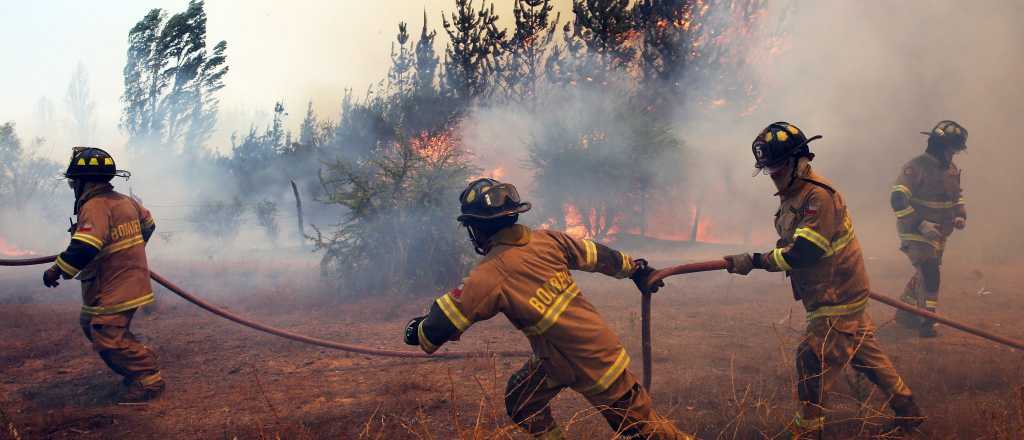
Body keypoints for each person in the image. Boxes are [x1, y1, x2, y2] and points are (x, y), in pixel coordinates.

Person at [403, 178, 693, 440]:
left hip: (594, 364)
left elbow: (440, 325)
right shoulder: (547, 240)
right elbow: (600, 256)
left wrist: (416, 331)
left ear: (476, 228)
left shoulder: (490, 274)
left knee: (641, 428)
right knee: (522, 400)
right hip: (558, 359)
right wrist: (637, 269)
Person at [721, 122, 922, 438]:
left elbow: (806, 252)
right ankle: (908, 409)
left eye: (778, 166)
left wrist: (755, 261)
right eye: (768, 168)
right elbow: (796, 240)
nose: (772, 173)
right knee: (864, 354)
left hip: (837, 295)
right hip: (830, 291)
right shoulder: (795, 194)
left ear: (800, 161)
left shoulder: (818, 197)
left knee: (811, 358)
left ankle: (806, 431)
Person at [42, 147, 164, 402]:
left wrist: (55, 270)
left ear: (83, 181)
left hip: (116, 284)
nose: (73, 187)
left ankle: (147, 379)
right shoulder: (125, 201)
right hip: (120, 280)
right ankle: (134, 364)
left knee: (105, 332)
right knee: (90, 323)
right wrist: (130, 253)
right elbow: (149, 225)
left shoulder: (94, 206)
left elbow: (85, 245)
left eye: (73, 182)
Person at [890, 120, 968, 337]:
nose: (953, 154)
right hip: (915, 231)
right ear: (939, 146)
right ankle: (927, 321)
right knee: (931, 271)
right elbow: (897, 199)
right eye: (952, 149)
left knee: (924, 273)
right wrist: (921, 225)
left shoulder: (950, 169)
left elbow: (956, 194)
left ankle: (905, 314)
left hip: (940, 233)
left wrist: (960, 215)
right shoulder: (915, 167)